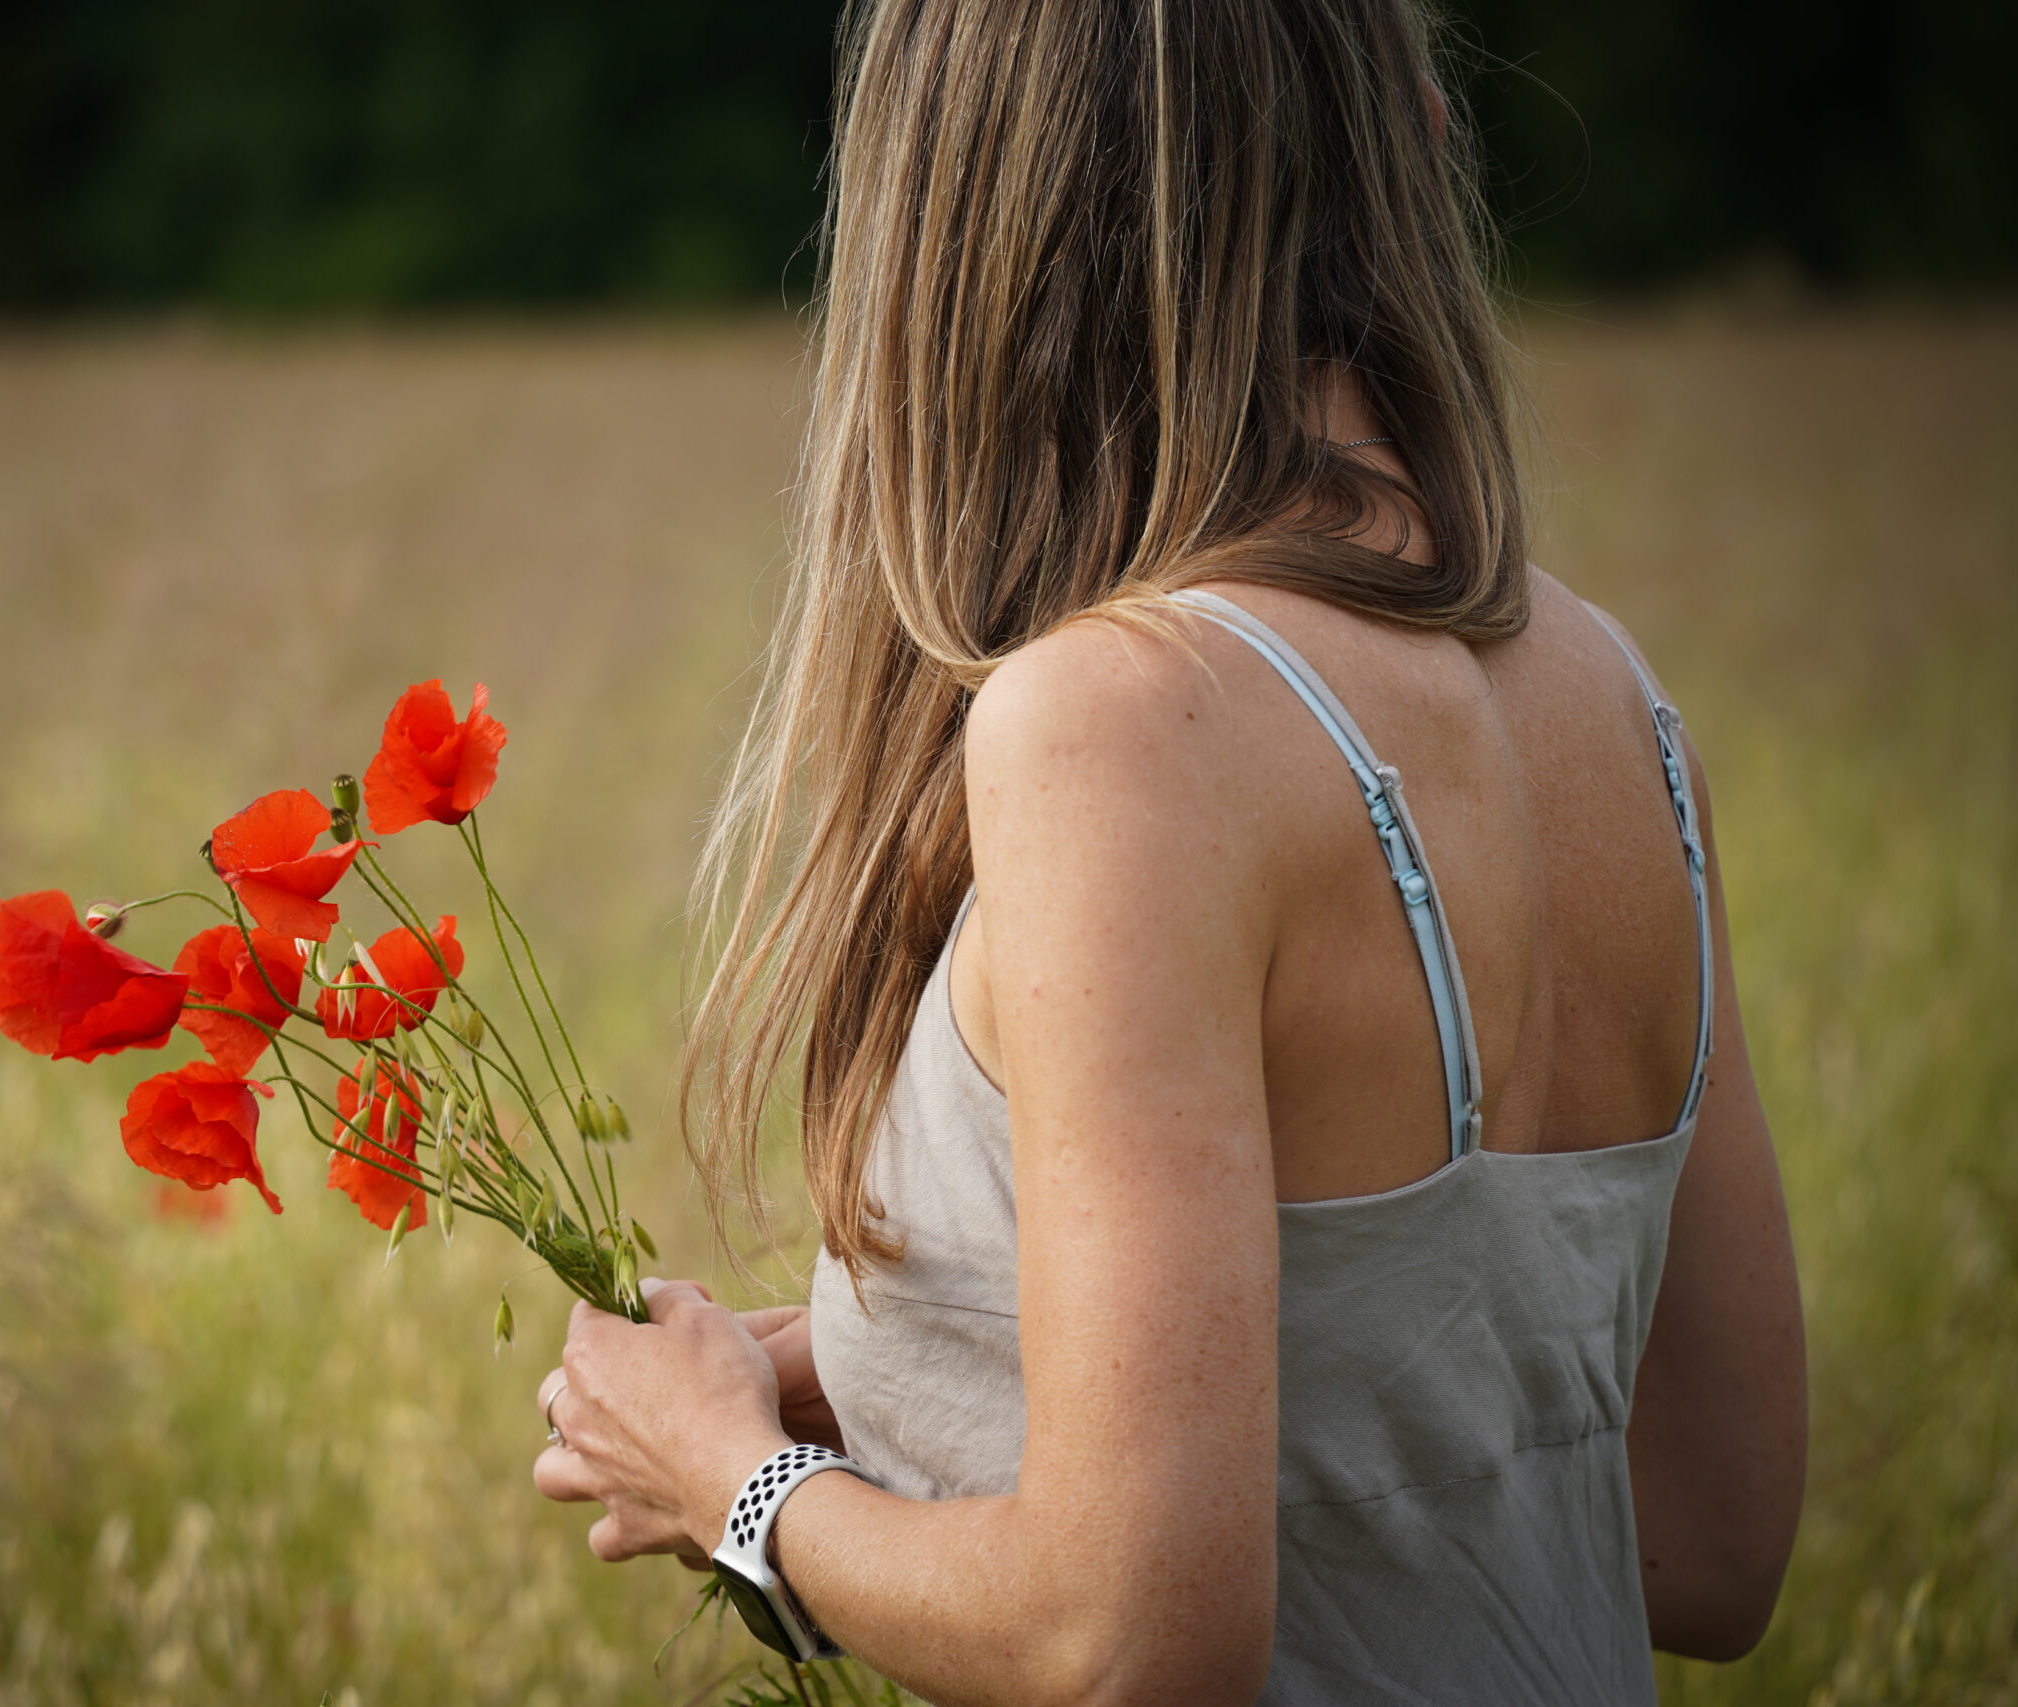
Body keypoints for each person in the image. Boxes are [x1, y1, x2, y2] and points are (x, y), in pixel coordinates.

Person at [531, 0, 1808, 1700]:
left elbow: (1133, 1643)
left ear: (964, 206)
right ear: (1397, 138)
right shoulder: (1618, 702)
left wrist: (734, 1483)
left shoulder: (1121, 724)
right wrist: (915, 1367)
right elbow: (1709, 1540)